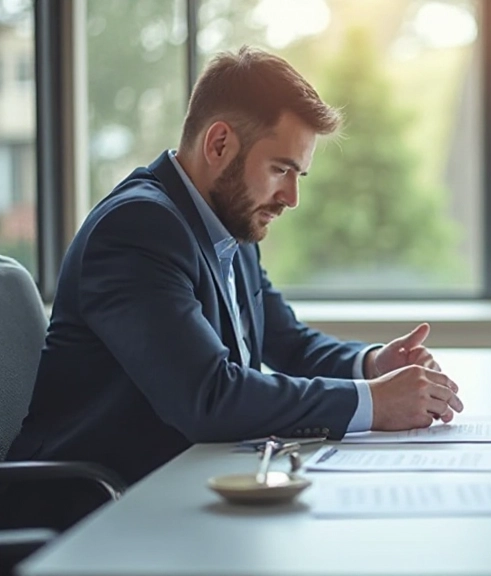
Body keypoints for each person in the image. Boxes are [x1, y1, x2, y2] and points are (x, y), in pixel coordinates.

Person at [3, 47, 462, 527]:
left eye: (299, 175)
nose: (292, 197)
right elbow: (209, 397)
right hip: (90, 513)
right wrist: (373, 402)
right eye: (280, 169)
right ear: (219, 143)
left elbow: (286, 341)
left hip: (174, 490)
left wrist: (371, 364)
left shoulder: (228, 224)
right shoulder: (137, 229)